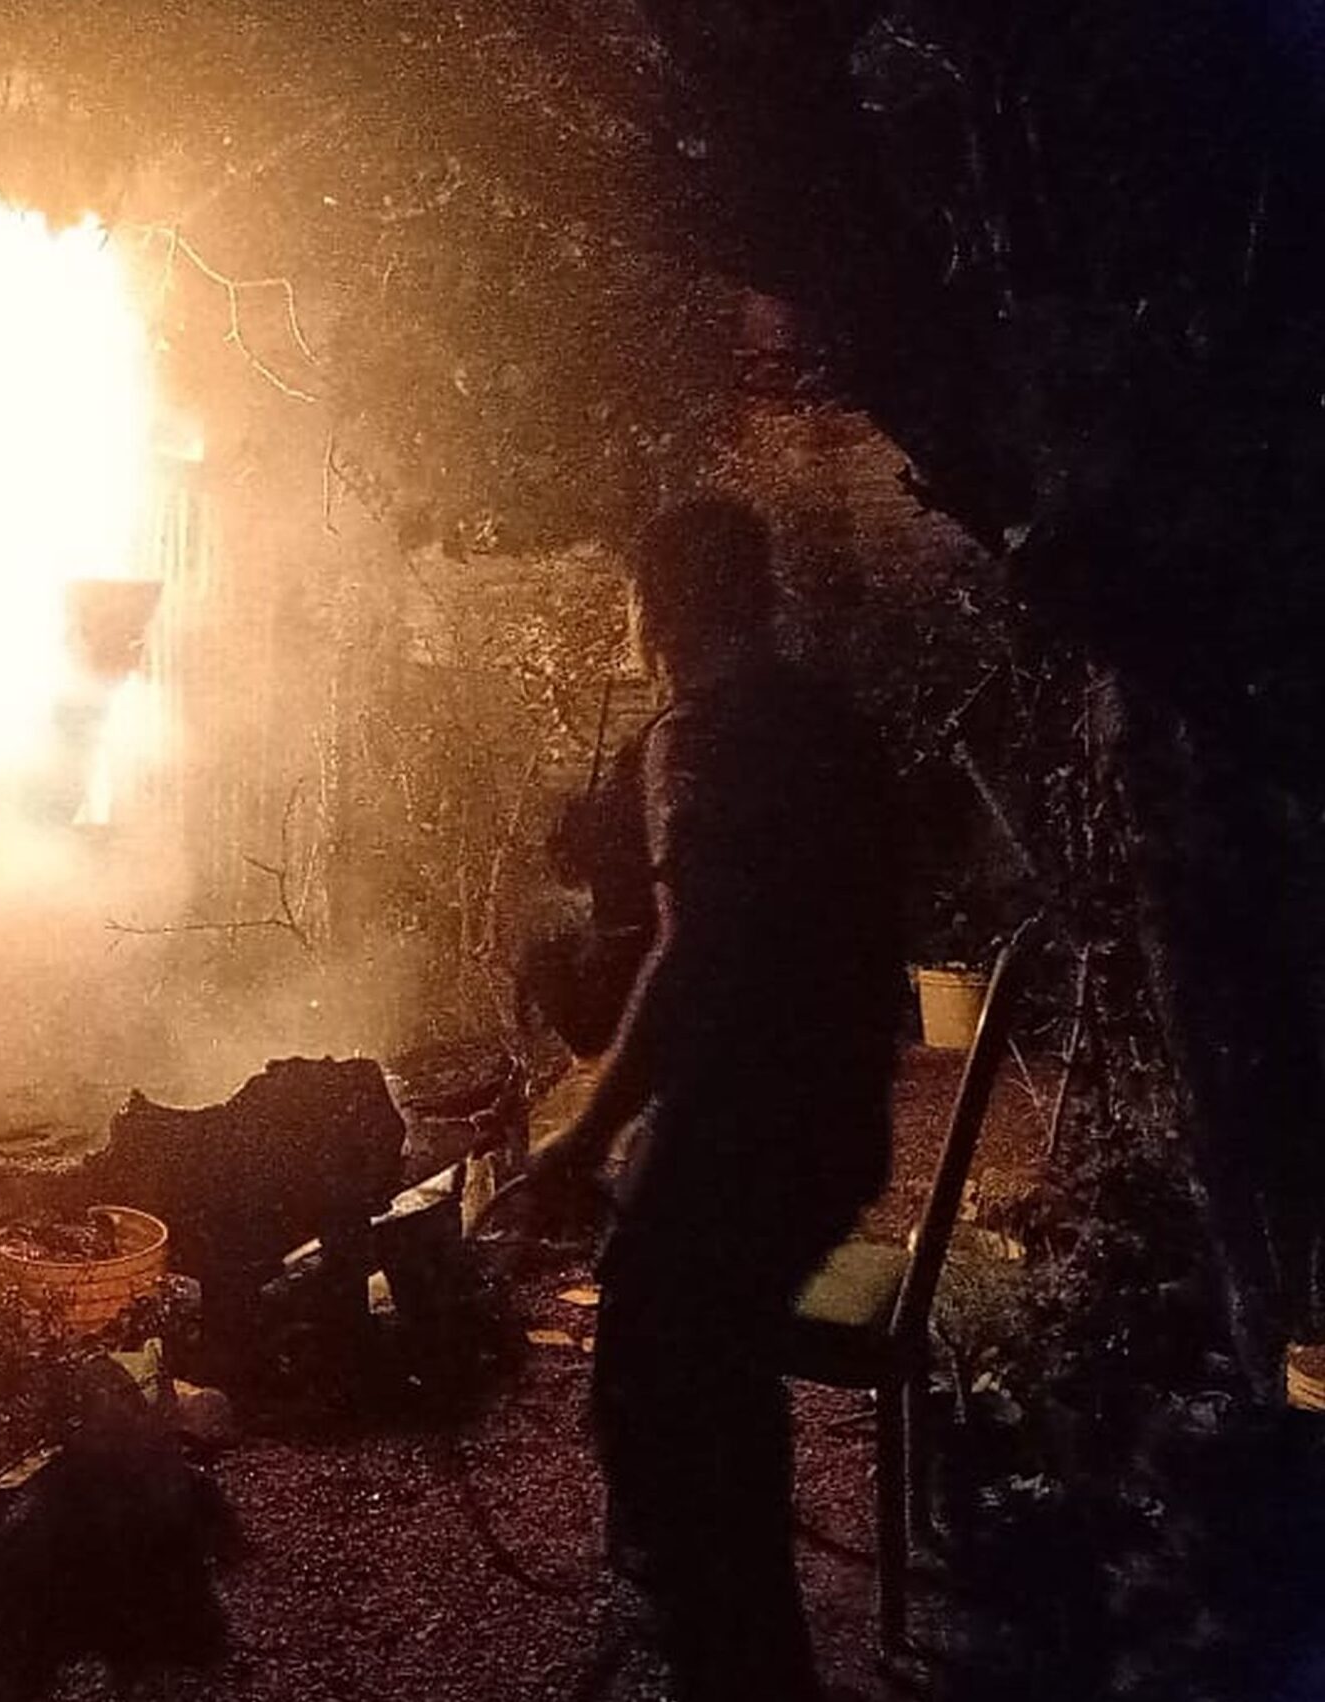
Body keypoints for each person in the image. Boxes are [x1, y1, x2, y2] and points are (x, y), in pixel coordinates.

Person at [532, 495, 904, 1702]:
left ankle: (720, 1652)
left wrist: (586, 1127)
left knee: (654, 1389)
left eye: (635, 602)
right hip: (835, 1127)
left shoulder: (698, 735)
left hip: (754, 1136)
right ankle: (743, 1649)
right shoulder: (825, 720)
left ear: (655, 609)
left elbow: (697, 949)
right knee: (710, 1385)